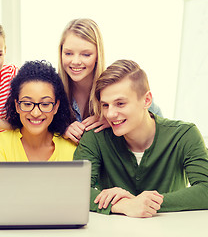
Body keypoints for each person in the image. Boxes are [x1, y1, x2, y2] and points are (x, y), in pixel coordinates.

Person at [74, 59, 208, 217]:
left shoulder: (184, 135)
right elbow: (75, 191)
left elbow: (205, 189)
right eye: (105, 105)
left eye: (120, 103)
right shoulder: (95, 138)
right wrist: (123, 205)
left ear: (147, 100)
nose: (110, 114)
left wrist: (144, 204)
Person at [58, 18, 162, 144]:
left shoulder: (113, 84)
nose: (75, 61)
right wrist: (61, 128)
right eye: (68, 53)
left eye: (86, 55)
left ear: (97, 55)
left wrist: (115, 118)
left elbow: (155, 117)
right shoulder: (52, 88)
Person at [0, 60, 76, 162]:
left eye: (45, 104)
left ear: (56, 107)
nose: (35, 113)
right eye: (27, 104)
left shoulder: (72, 149)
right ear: (17, 106)